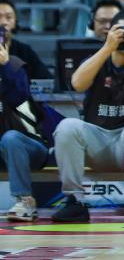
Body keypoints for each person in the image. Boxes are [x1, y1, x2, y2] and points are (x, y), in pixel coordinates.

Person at [52, 8, 124, 223]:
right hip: (97, 142)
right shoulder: (97, 61)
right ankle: (75, 202)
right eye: (123, 30)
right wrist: (107, 47)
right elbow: (77, 83)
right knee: (67, 126)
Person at [0, 23, 57, 222]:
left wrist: (5, 65)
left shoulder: (15, 65)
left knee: (11, 139)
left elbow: (19, 95)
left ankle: (25, 201)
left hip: (29, 146)